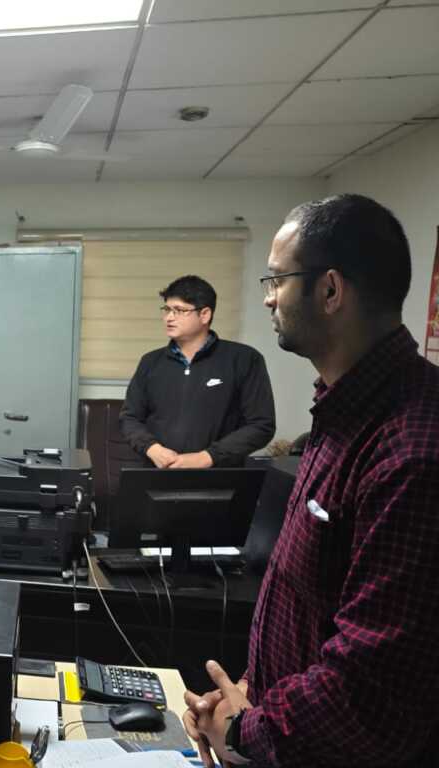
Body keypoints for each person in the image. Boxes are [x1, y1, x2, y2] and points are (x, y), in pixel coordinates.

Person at [183, 194, 439, 768]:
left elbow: (368, 690)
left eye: (277, 279)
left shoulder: (413, 452)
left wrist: (243, 730)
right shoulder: (341, 412)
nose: (268, 297)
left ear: (329, 290)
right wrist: (242, 698)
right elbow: (308, 602)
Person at [120, 275, 276, 468]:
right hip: (158, 474)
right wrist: (152, 449)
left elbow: (261, 425)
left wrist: (207, 457)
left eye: (179, 310)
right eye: (167, 309)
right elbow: (130, 418)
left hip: (219, 478)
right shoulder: (150, 362)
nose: (169, 317)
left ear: (204, 315)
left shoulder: (244, 359)